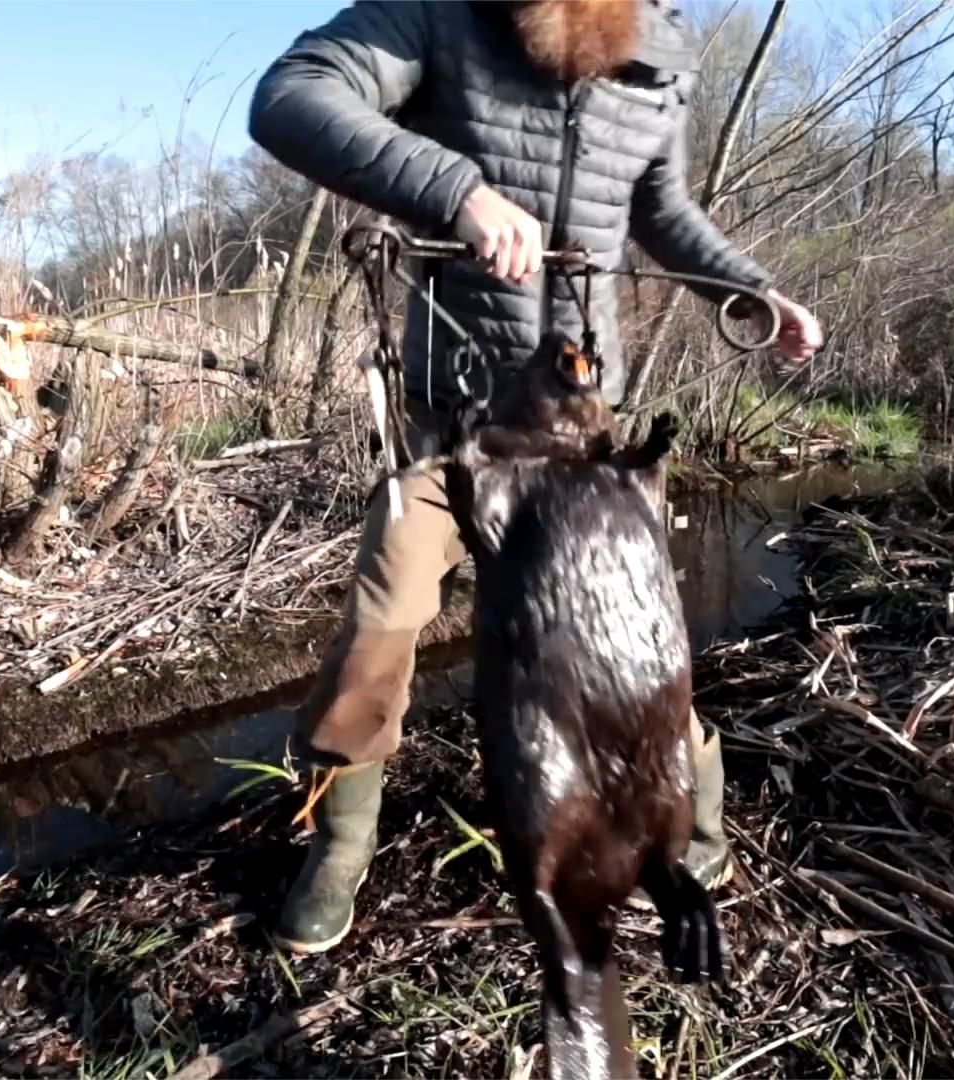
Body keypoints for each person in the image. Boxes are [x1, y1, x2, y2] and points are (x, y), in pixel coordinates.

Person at [248, 0, 823, 955]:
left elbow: (662, 209)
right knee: (375, 639)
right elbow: (291, 97)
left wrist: (750, 291)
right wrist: (458, 191)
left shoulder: (660, 54)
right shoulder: (436, 14)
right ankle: (341, 846)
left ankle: (695, 833)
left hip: (584, 435)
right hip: (452, 424)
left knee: (633, 656)